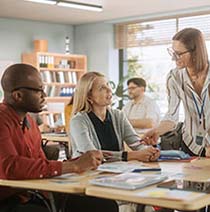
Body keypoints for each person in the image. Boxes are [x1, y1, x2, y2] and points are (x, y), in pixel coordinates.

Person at [0, 63, 118, 212]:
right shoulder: (2, 118)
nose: (44, 95)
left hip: (34, 193)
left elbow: (40, 164)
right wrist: (71, 166)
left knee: (102, 205)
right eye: (39, 91)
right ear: (18, 95)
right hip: (9, 200)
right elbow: (10, 167)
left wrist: (76, 163)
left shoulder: (30, 121)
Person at [144, 28, 210, 157]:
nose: (174, 59)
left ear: (196, 52)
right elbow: (172, 115)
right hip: (191, 144)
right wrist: (157, 131)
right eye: (173, 53)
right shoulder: (174, 77)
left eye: (179, 54)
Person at [70, 71, 160, 161]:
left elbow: (136, 143)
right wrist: (130, 155)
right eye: (102, 88)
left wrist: (148, 152)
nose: (109, 90)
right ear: (89, 96)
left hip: (116, 171)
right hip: (88, 173)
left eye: (108, 85)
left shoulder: (118, 115)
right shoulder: (78, 121)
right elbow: (92, 155)